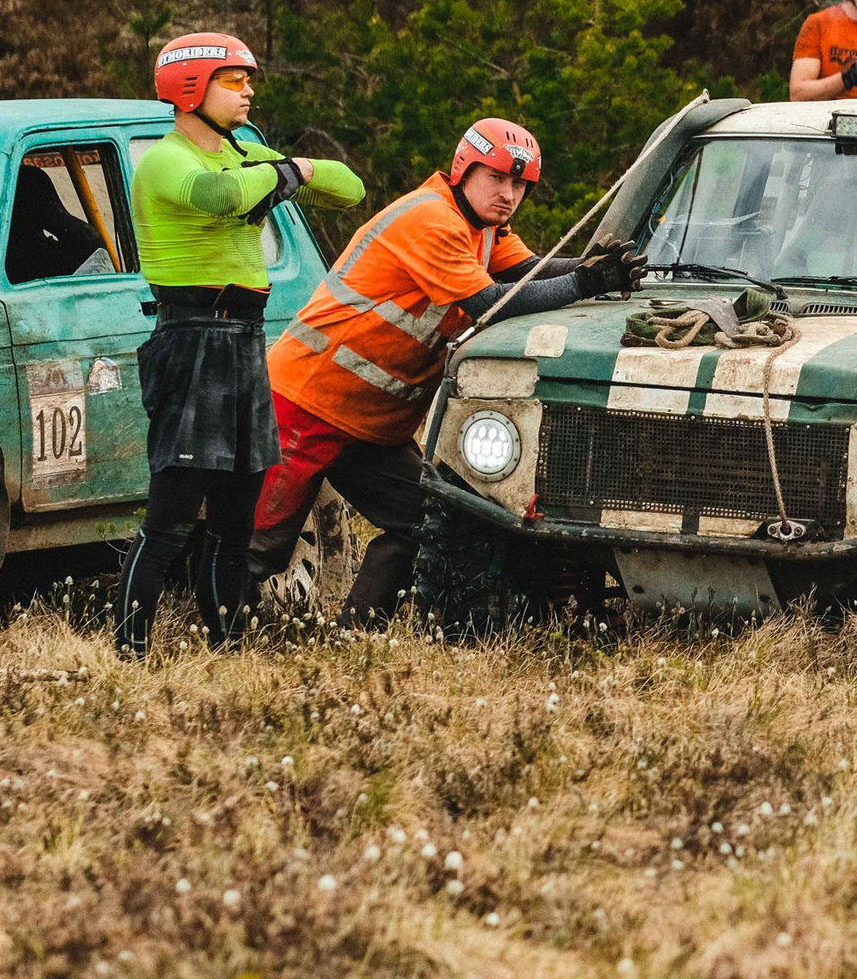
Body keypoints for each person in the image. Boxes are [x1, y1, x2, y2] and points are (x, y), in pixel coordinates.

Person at [246, 120, 647, 626]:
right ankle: (217, 640)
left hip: (370, 423)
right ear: (463, 170)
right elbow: (490, 303)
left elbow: (528, 272)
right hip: (305, 401)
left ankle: (356, 635)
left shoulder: (484, 229)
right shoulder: (432, 220)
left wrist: (594, 268)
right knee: (259, 545)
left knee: (427, 527)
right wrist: (584, 282)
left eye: (520, 185)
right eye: (496, 178)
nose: (508, 195)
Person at [117, 34, 364, 659]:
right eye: (234, 80)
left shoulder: (245, 152)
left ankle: (226, 650)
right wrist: (279, 174)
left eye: (248, 79)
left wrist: (292, 168)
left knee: (236, 521)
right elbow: (219, 197)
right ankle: (129, 654)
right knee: (171, 517)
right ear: (191, 89)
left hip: (245, 339)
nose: (249, 91)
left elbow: (350, 188)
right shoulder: (166, 159)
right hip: (190, 337)